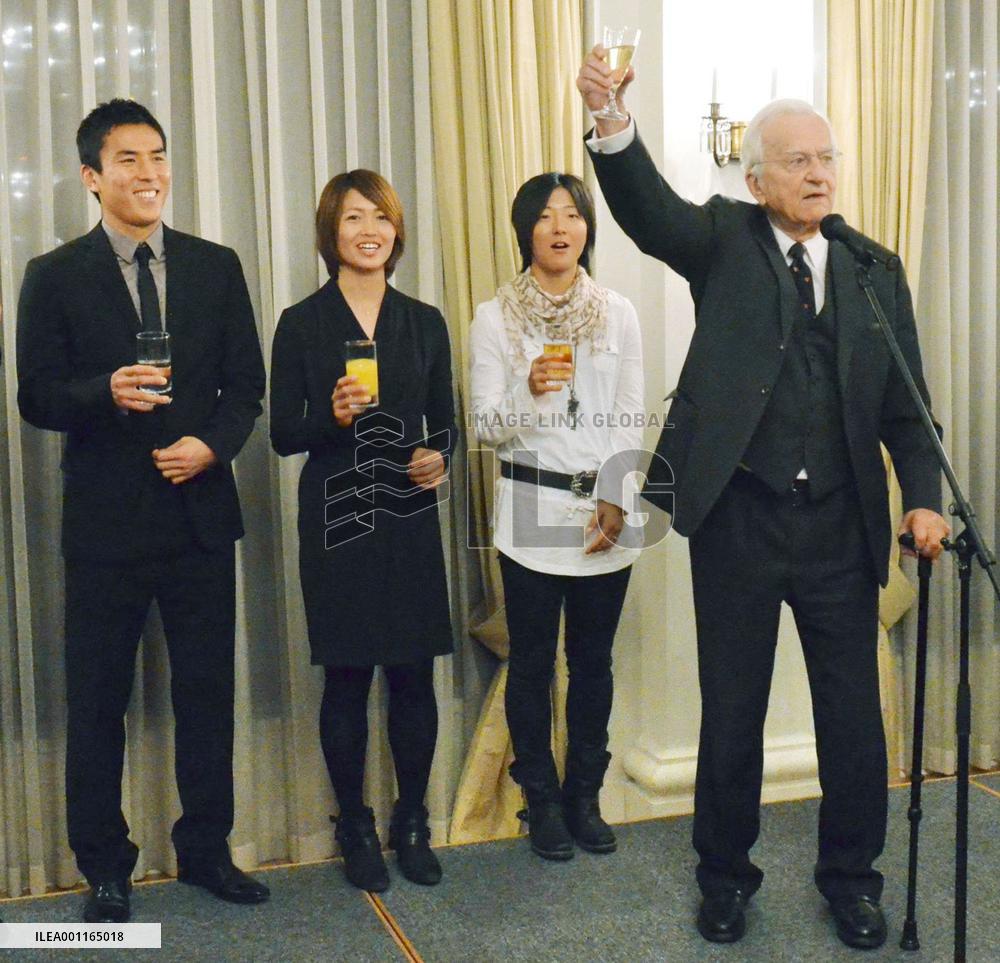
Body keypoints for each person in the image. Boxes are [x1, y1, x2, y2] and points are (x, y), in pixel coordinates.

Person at [576, 53, 950, 951]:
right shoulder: (723, 239)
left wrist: (926, 500)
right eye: (797, 161)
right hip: (739, 520)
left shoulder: (871, 269)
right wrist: (611, 124)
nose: (818, 173)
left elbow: (908, 404)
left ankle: (852, 879)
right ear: (756, 177)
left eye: (827, 158)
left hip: (841, 530)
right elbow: (647, 211)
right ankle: (724, 875)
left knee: (854, 720)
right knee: (732, 710)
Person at [16, 99, 269, 923]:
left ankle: (206, 849)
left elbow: (247, 388)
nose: (149, 172)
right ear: (93, 178)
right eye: (128, 159)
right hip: (106, 529)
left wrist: (213, 446)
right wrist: (106, 391)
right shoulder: (52, 276)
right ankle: (105, 866)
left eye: (157, 156)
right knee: (97, 704)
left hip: (198, 516)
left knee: (207, 696)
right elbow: (35, 396)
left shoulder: (215, 264)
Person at [270, 170, 455, 892]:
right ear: (331, 232)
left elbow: (446, 422)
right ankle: (354, 823)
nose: (369, 229)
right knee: (346, 675)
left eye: (380, 216)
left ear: (396, 231)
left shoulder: (424, 321)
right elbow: (285, 433)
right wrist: (334, 419)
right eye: (353, 218)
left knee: (413, 672)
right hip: (338, 512)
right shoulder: (302, 322)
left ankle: (413, 819)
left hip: (407, 510)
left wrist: (439, 454)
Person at [469, 173, 644, 861]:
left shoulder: (617, 312)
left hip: (604, 507)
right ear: (526, 231)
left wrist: (616, 498)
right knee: (533, 663)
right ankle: (538, 798)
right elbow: (486, 426)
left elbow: (629, 414)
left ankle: (584, 794)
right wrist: (527, 387)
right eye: (546, 217)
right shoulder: (496, 317)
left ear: (587, 229)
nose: (561, 227)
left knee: (593, 662)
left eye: (572, 215)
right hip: (532, 507)